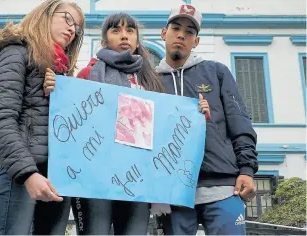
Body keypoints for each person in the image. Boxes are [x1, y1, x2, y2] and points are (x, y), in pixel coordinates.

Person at [44, 12, 211, 235]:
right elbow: (71, 119)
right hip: (94, 180)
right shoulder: (87, 74)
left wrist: (197, 114)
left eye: (130, 31)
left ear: (137, 40)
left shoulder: (150, 80)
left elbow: (167, 126)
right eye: (116, 30)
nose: (124, 35)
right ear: (104, 42)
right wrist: (54, 90)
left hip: (137, 180)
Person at [0, 0, 85, 234]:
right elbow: (2, 120)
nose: (72, 29)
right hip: (22, 176)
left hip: (57, 177)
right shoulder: (15, 51)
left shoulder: (62, 72)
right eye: (67, 18)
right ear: (45, 14)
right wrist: (28, 174)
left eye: (77, 27)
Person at [155, 4, 259, 235]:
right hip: (173, 191)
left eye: (190, 31)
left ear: (196, 41)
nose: (182, 34)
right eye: (176, 28)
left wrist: (247, 170)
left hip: (224, 186)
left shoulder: (217, 72)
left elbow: (240, 122)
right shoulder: (151, 81)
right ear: (164, 33)